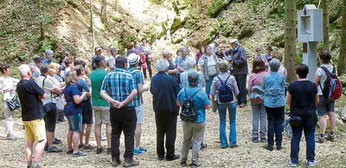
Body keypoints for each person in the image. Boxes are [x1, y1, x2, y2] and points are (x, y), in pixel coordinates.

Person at [100, 56, 139, 167]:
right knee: (129, 134)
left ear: (116, 64)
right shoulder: (129, 75)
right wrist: (124, 102)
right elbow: (134, 91)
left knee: (115, 134)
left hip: (114, 109)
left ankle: (115, 159)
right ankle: (128, 159)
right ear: (126, 64)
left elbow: (102, 92)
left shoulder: (108, 75)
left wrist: (112, 101)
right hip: (128, 108)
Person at [287, 64, 318, 167]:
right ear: (307, 73)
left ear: (297, 73)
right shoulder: (312, 85)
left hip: (296, 115)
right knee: (310, 136)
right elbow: (316, 100)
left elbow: (288, 101)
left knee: (295, 137)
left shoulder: (292, 86)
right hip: (310, 114)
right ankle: (311, 160)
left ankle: (294, 160)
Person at [16, 64, 47, 168]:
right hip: (35, 116)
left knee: (29, 142)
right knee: (42, 140)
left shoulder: (19, 85)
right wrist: (38, 96)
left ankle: (29, 163)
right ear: (29, 73)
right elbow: (44, 94)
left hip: (26, 116)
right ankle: (35, 162)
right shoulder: (31, 83)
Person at [177, 72, 211, 167]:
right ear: (197, 81)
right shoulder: (201, 93)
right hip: (199, 119)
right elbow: (208, 106)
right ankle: (194, 161)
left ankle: (183, 160)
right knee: (197, 141)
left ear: (188, 80)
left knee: (186, 140)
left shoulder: (183, 91)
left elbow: (178, 103)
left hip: (186, 119)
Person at [150, 59, 180, 161]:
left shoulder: (153, 79)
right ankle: (170, 154)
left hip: (158, 108)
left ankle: (160, 154)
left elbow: (152, 91)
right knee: (171, 132)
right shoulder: (171, 79)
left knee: (160, 131)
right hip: (170, 108)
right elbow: (178, 92)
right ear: (167, 68)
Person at [210, 60, 239, 148]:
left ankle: (223, 143)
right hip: (231, 101)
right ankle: (233, 142)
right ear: (228, 68)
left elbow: (212, 92)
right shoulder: (232, 78)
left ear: (219, 68)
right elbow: (237, 91)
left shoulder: (216, 79)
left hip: (220, 102)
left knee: (222, 122)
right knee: (232, 121)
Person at [35, 66, 63, 153]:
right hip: (49, 103)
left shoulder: (37, 79)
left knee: (45, 124)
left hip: (41, 104)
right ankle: (50, 145)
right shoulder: (46, 80)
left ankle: (45, 142)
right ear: (47, 71)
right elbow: (58, 91)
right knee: (50, 125)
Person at [127, 53, 149, 155]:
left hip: (127, 102)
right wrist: (146, 87)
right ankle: (136, 147)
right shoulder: (138, 73)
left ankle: (129, 146)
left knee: (128, 125)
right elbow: (140, 89)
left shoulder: (125, 72)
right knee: (137, 124)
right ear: (137, 62)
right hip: (137, 102)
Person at [262, 58, 286, 151]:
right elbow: (283, 86)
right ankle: (279, 144)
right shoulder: (282, 76)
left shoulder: (266, 77)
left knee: (271, 122)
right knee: (279, 122)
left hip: (269, 102)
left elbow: (263, 87)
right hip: (280, 102)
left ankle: (270, 144)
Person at [90, 56, 112, 154]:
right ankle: (109, 146)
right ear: (102, 63)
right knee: (108, 124)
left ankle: (99, 146)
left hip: (95, 102)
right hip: (105, 102)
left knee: (97, 124)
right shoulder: (106, 74)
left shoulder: (92, 74)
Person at [64, 71, 88, 157]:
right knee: (76, 130)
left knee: (71, 129)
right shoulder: (73, 87)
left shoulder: (66, 87)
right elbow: (77, 100)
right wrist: (84, 94)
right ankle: (76, 150)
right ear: (73, 78)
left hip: (68, 110)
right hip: (75, 110)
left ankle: (69, 148)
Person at [314, 50, 337, 142]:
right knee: (331, 113)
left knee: (322, 115)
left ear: (321, 59)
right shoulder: (334, 68)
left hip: (321, 95)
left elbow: (315, 83)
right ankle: (332, 134)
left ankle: (321, 136)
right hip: (332, 94)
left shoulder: (320, 70)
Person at [248, 59, 268, 143]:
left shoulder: (252, 76)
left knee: (255, 116)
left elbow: (249, 88)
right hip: (264, 98)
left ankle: (255, 136)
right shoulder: (267, 75)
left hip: (254, 98)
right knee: (263, 116)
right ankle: (263, 136)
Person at [74, 65, 93, 150]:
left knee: (81, 123)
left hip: (78, 103)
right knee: (89, 123)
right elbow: (89, 93)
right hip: (86, 103)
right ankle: (86, 142)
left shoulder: (74, 81)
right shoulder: (82, 81)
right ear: (81, 71)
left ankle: (80, 141)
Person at [0, 63, 19, 140]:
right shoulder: (1, 79)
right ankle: (9, 133)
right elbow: (1, 90)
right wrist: (9, 90)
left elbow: (18, 81)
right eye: (8, 68)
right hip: (6, 99)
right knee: (8, 117)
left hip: (12, 99)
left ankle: (10, 132)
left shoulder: (9, 78)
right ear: (4, 70)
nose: (10, 70)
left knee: (11, 116)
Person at [229, 39, 248, 108]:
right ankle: (239, 100)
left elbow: (243, 61)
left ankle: (243, 101)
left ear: (236, 44)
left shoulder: (241, 50)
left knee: (242, 87)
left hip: (242, 71)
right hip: (236, 71)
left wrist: (234, 62)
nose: (231, 45)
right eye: (231, 44)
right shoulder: (233, 51)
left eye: (232, 44)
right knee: (236, 86)